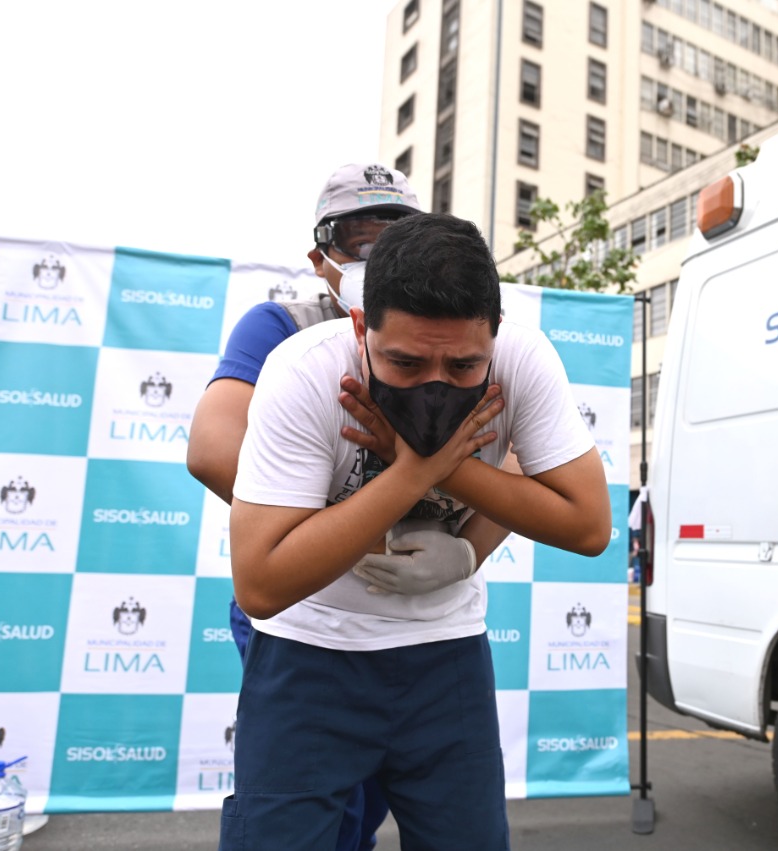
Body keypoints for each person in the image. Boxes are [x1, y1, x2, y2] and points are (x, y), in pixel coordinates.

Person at [220, 212, 610, 851]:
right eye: (404, 362)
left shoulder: (522, 358)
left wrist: (441, 474)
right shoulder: (304, 371)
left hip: (444, 652)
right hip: (310, 653)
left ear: (496, 337)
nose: (436, 386)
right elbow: (262, 584)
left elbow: (589, 524)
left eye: (463, 367)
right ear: (358, 327)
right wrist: (410, 477)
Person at [188, 163, 439, 851]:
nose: (378, 255)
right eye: (360, 238)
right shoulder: (281, 326)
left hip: (406, 619)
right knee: (296, 812)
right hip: (301, 613)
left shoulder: (443, 332)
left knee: (368, 804)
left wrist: (468, 547)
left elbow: (504, 458)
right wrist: (347, 534)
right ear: (321, 257)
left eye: (399, 236)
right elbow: (213, 447)